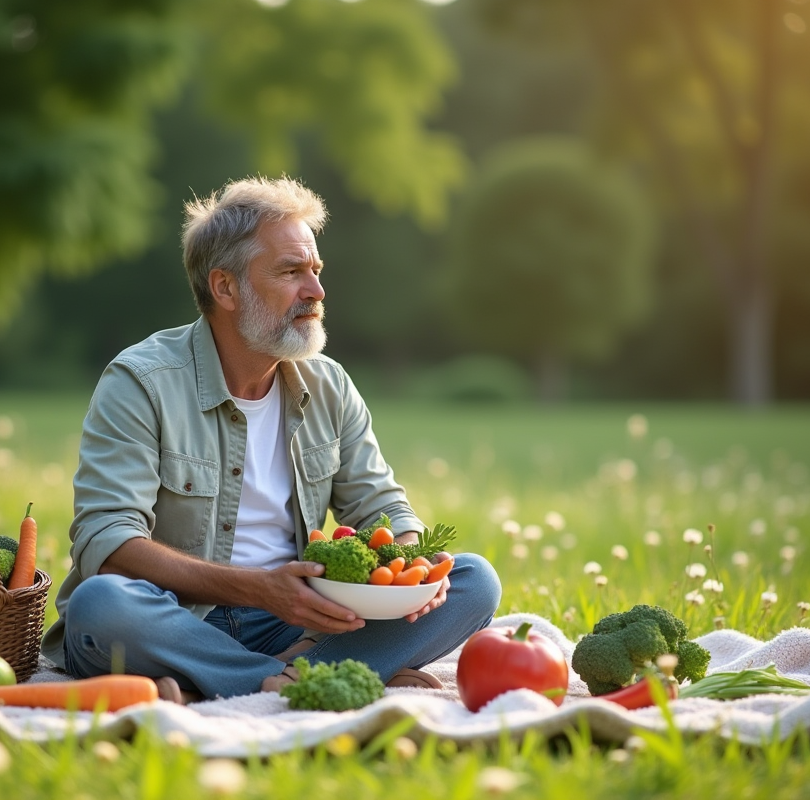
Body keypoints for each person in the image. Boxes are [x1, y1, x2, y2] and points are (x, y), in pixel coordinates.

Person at [41, 176, 501, 703]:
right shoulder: (140, 381)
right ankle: (312, 677)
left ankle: (244, 679)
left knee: (472, 581)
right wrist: (259, 589)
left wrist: (415, 570)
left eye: (316, 271)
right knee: (101, 605)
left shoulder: (329, 385)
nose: (317, 291)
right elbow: (109, 544)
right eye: (291, 272)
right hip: (172, 620)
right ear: (225, 288)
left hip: (296, 624)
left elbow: (383, 512)